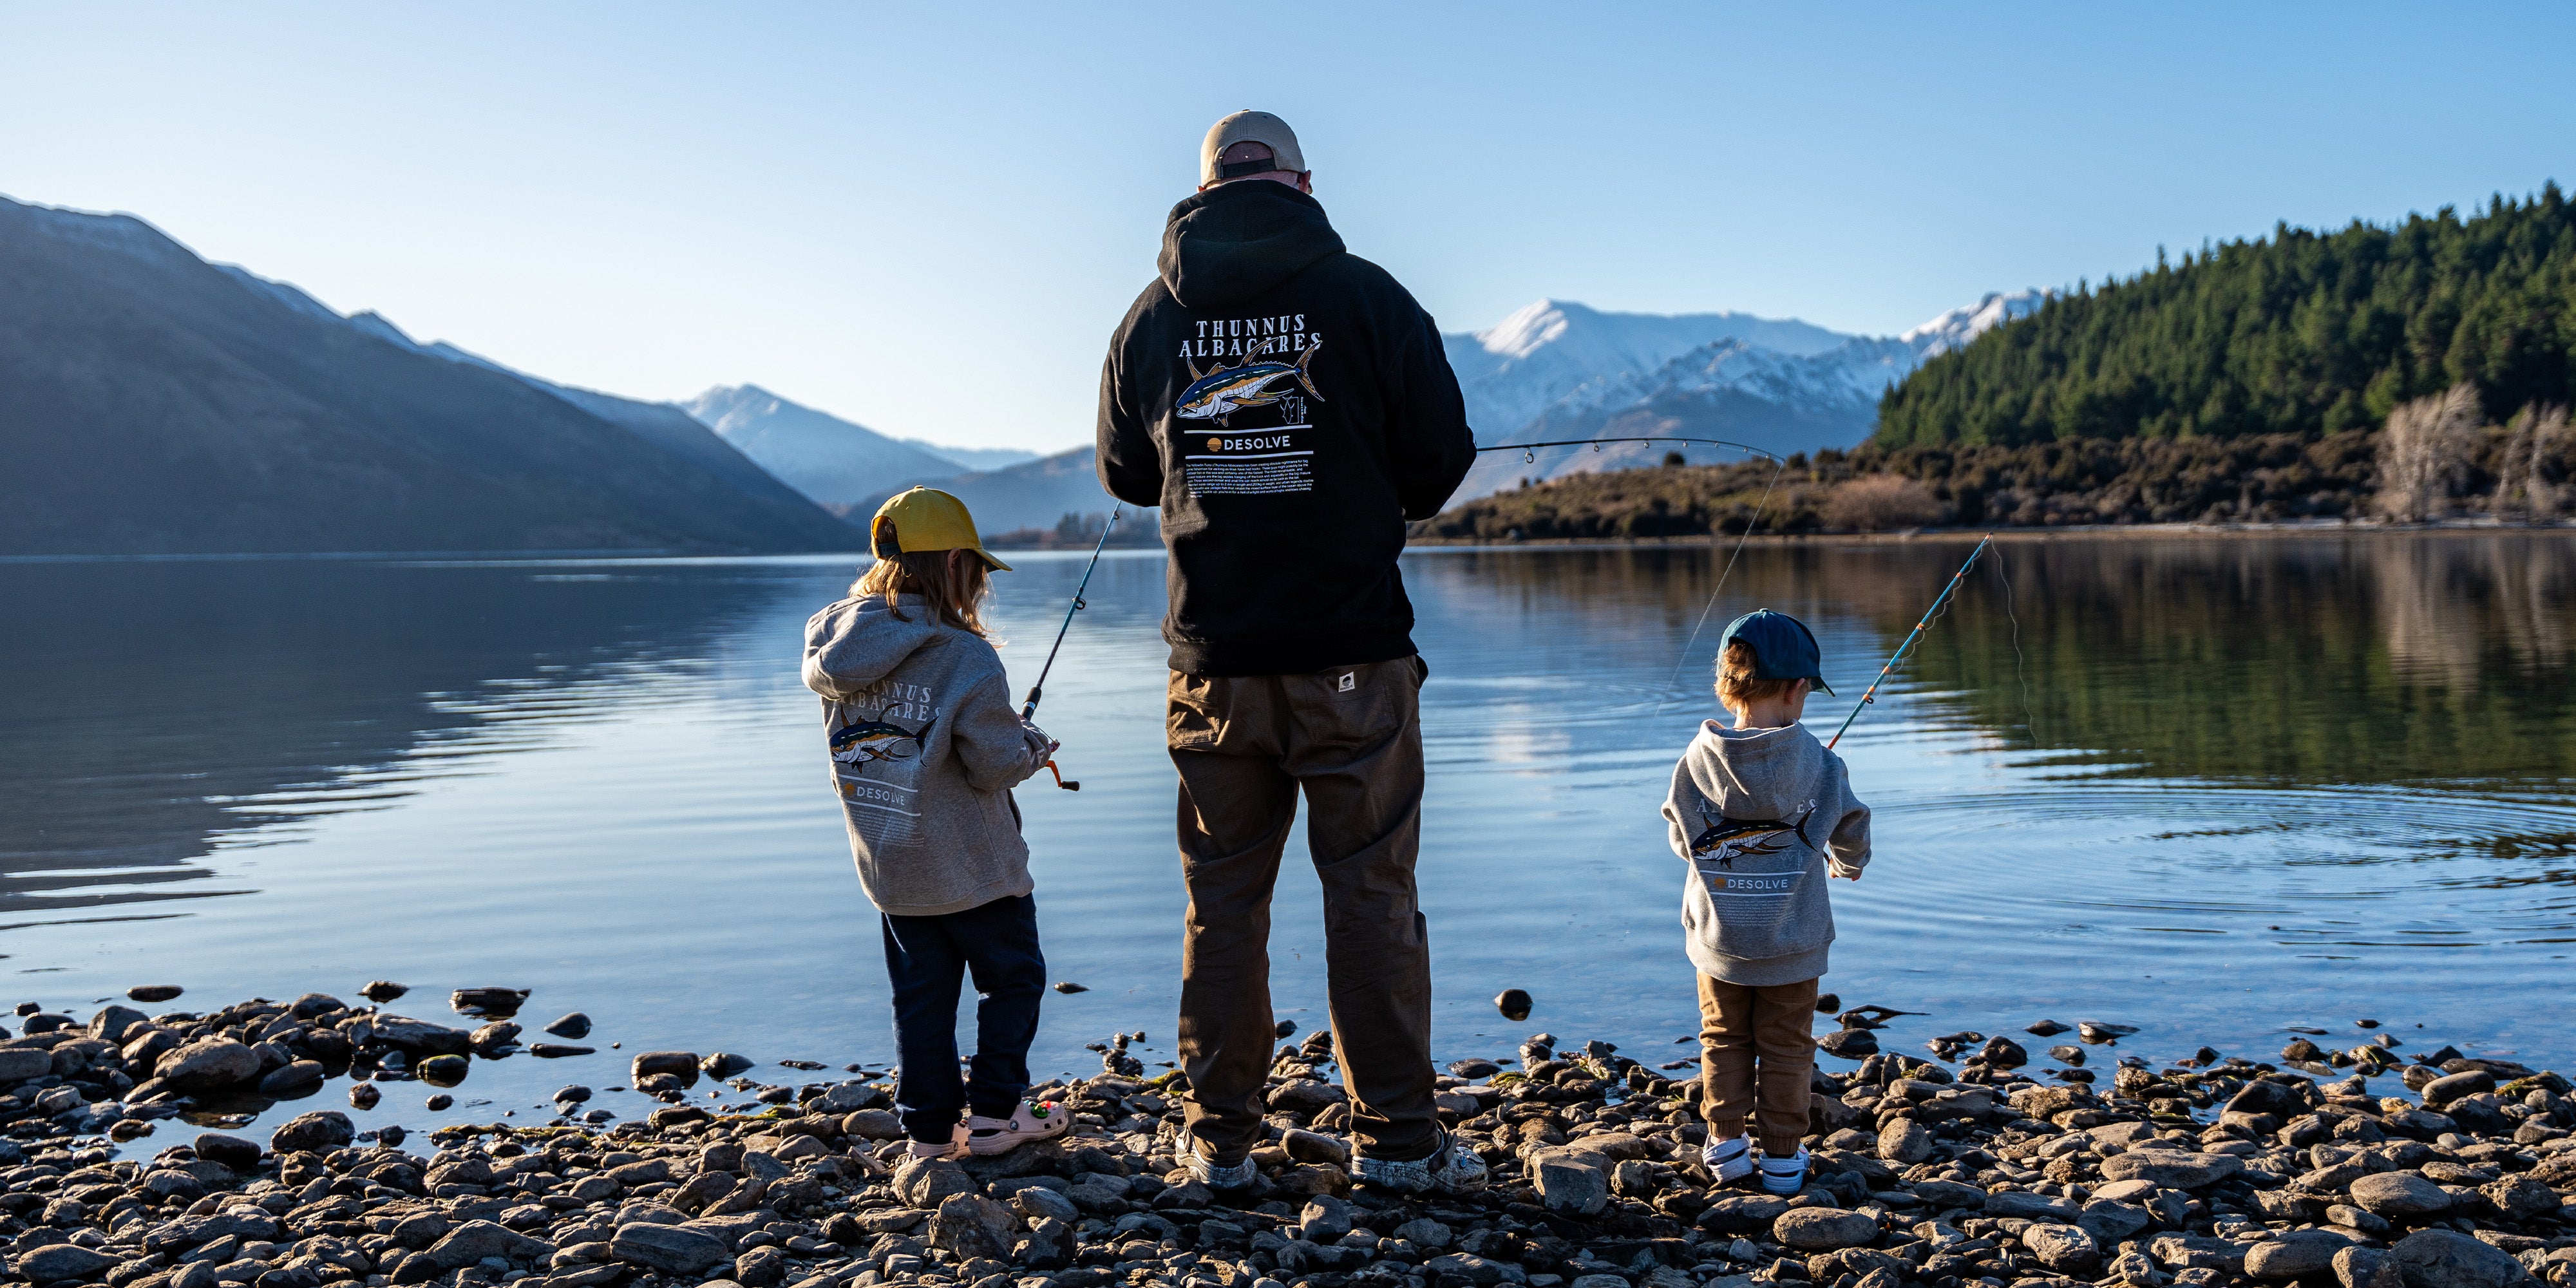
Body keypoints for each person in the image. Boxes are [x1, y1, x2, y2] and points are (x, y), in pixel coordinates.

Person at [1095, 109, 1481, 1194]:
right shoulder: (1367, 295)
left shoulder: (1151, 315)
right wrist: (1353, 489)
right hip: (1353, 652)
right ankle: (1400, 1141)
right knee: (1370, 896)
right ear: (1301, 183)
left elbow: (1127, 474)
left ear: (1206, 186)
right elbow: (1442, 459)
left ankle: (1218, 1140)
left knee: (1222, 901)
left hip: (1211, 662)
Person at [801, 486, 1070, 1160]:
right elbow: (992, 766)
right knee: (1013, 981)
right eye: (976, 569)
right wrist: (1031, 745)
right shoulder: (966, 655)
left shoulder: (833, 646)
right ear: (956, 562)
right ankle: (994, 1116)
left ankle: (925, 1133)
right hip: (978, 870)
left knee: (920, 1000)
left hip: (894, 868)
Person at [1661, 609, 1871, 1195]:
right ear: (1798, 687)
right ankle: (1782, 1159)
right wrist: (1847, 862)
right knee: (1787, 1043)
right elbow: (1852, 827)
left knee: (1722, 1036)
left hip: (1718, 941)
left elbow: (1681, 837)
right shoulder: (1824, 764)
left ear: (1729, 680)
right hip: (1794, 942)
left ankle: (1725, 1146)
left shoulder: (1695, 759)